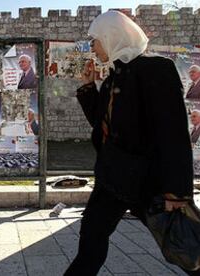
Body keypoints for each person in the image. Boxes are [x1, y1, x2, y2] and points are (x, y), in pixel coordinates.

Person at [64, 11, 195, 276]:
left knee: (183, 243)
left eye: (95, 40)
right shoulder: (114, 77)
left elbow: (174, 133)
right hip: (114, 178)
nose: (92, 46)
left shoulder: (156, 70)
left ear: (112, 37)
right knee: (91, 241)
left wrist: (177, 193)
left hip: (147, 181)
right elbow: (104, 128)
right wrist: (89, 88)